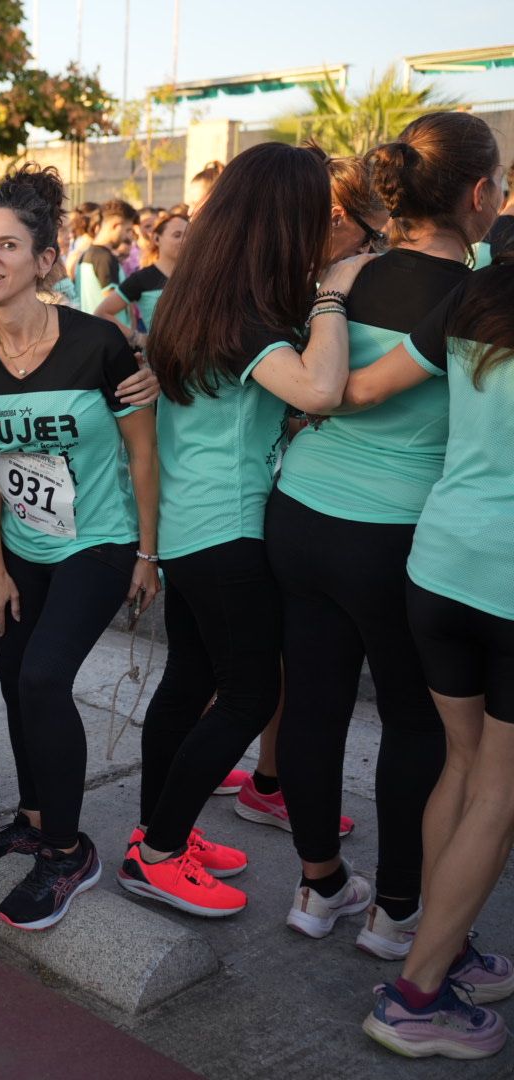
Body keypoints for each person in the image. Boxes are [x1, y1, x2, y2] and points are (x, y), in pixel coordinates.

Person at [269, 112, 503, 950]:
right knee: (418, 728)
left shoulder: (341, 273)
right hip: (397, 535)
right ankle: (397, 908)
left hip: (298, 513)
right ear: (480, 194)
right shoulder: (476, 296)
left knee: (316, 704)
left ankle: (316, 885)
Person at [131, 142, 373, 918]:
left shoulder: (194, 297)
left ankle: (155, 834)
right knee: (245, 697)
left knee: (190, 685)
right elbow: (321, 389)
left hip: (189, 527)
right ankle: (159, 851)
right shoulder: (245, 317)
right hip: (228, 531)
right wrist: (334, 294)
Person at [0, 165, 162, 930]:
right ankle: (35, 817)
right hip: (22, 549)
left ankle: (69, 852)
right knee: (12, 678)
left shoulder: (98, 344)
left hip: (100, 542)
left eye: (9, 245)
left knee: (42, 678)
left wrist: (147, 553)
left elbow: (142, 453)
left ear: (45, 260)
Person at [338, 259, 514, 1060]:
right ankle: (416, 993)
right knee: (499, 793)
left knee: (464, 765)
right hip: (504, 579)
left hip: (440, 559)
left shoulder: (480, 291)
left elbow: (370, 385)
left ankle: (447, 945)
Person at [93, 209, 187, 349]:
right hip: (162, 362)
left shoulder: (196, 276)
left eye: (189, 235)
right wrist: (136, 337)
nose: (184, 241)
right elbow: (102, 312)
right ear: (156, 239)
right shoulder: (142, 278)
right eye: (177, 235)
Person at [74, 200, 136, 331]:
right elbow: (111, 307)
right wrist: (133, 337)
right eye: (128, 229)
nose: (128, 236)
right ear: (116, 225)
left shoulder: (86, 254)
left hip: (93, 335)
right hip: (110, 338)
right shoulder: (105, 258)